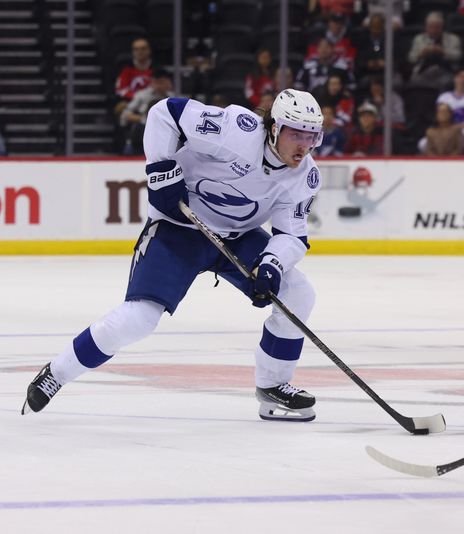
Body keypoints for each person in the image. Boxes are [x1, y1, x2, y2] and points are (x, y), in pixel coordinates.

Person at [22, 89, 325, 423]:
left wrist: (272, 264)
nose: (304, 146)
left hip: (239, 239)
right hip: (178, 228)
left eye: (312, 137)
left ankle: (273, 386)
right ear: (274, 128)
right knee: (137, 320)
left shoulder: (305, 177)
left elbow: (291, 235)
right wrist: (163, 168)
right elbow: (164, 113)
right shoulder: (237, 130)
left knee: (298, 293)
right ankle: (57, 373)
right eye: (296, 134)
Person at [119, 69, 175, 155]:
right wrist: (145, 119)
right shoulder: (142, 95)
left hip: (166, 134)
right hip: (142, 131)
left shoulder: (173, 98)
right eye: (156, 82)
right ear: (152, 82)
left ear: (168, 83)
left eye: (162, 82)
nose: (159, 86)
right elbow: (125, 115)